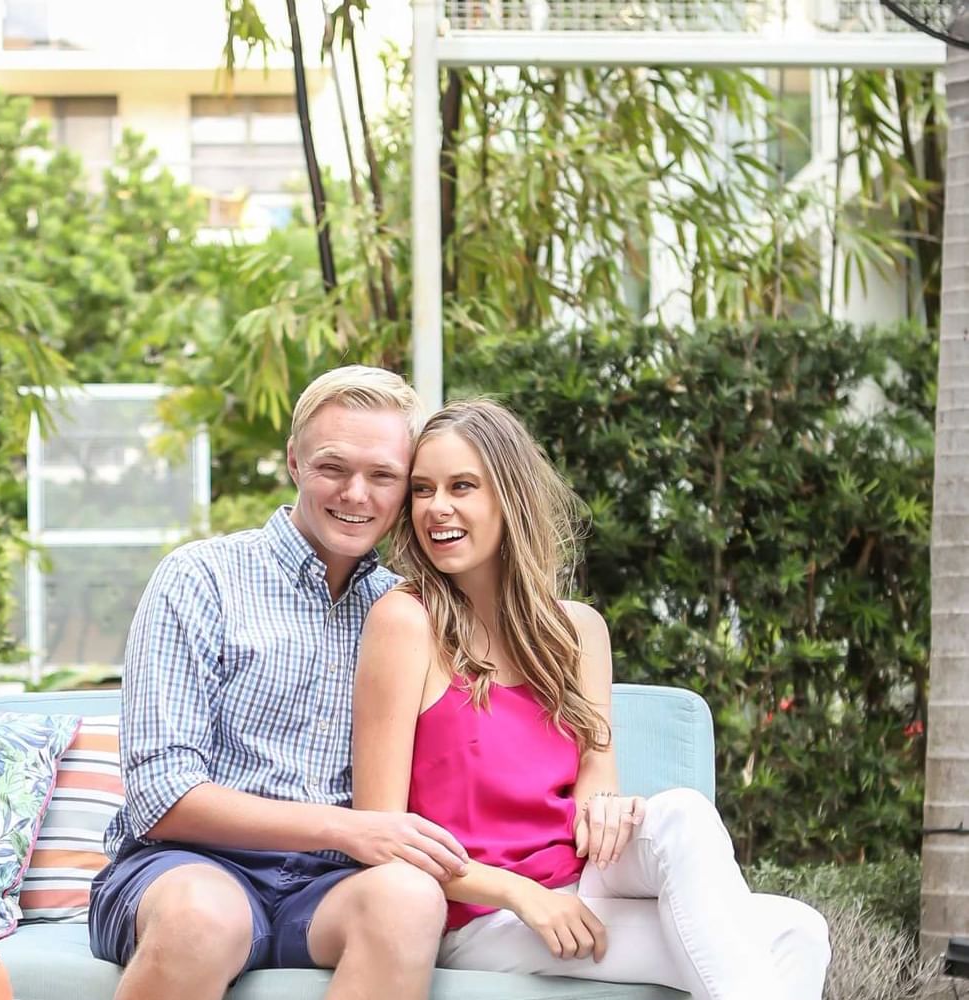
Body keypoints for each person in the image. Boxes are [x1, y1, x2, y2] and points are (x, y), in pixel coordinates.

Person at [352, 398, 831, 1000]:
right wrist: (521, 894)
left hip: (584, 876)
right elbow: (382, 835)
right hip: (481, 912)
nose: (436, 508)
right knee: (785, 938)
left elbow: (594, 787)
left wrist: (609, 809)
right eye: (423, 490)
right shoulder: (405, 621)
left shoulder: (578, 631)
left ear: (510, 498)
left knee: (770, 897)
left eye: (462, 486)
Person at [90, 366, 471, 1000]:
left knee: (408, 899)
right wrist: (345, 828)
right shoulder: (201, 578)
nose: (356, 494)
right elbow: (161, 794)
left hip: (326, 889)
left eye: (382, 476)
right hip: (185, 868)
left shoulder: (406, 612)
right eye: (332, 467)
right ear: (294, 461)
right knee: (204, 920)